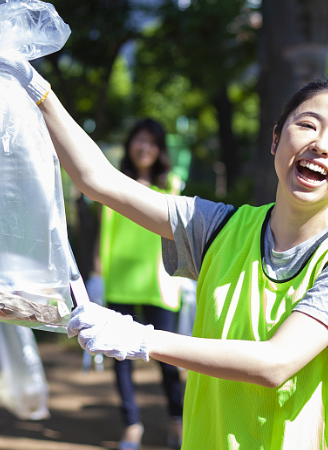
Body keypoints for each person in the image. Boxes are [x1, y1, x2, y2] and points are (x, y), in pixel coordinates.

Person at [0, 52, 328, 450]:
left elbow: (274, 363)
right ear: (276, 140)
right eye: (308, 125)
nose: (321, 143)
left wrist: (140, 338)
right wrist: (39, 92)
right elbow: (99, 180)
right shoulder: (220, 227)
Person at [94, 118, 184, 449]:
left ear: (159, 149)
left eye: (151, 142)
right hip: (118, 283)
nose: (144, 147)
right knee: (120, 360)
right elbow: (105, 232)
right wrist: (96, 275)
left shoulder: (172, 186)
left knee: (170, 360)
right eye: (139, 140)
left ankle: (178, 421)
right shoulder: (114, 183)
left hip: (159, 285)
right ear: (130, 144)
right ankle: (131, 425)